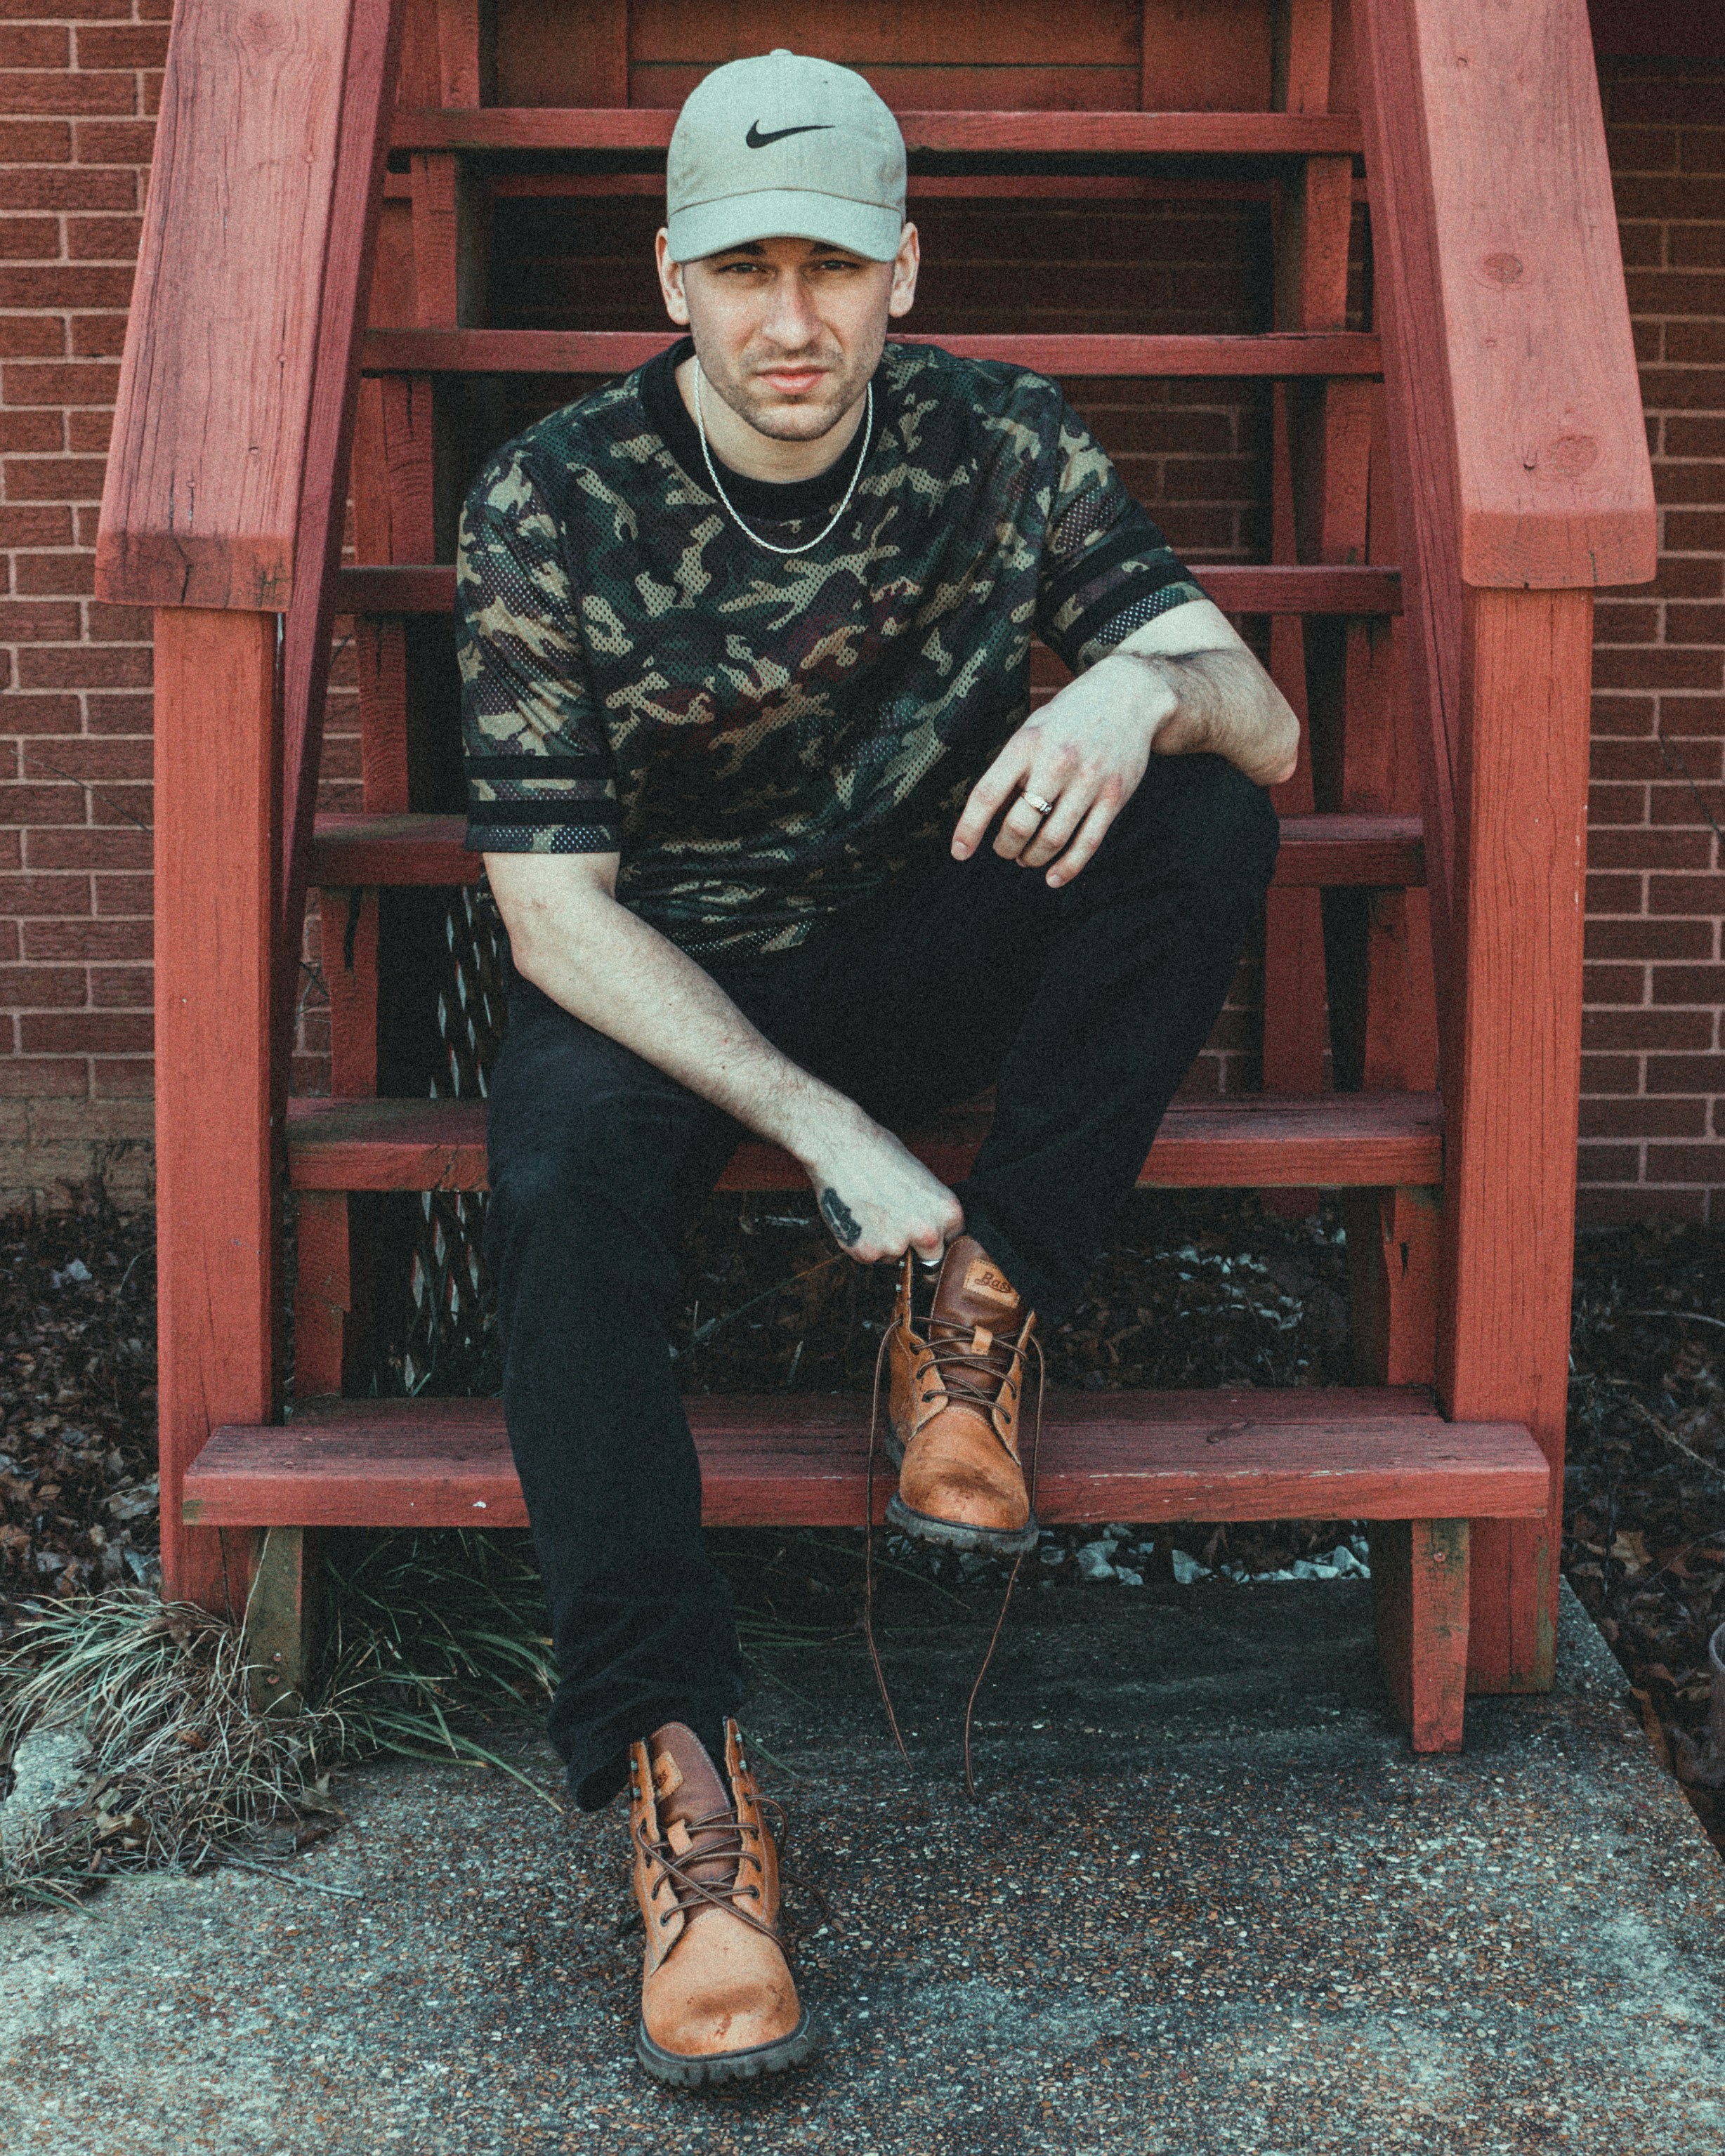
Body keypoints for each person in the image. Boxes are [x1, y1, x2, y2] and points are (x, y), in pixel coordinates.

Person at [457, 48, 1298, 2089]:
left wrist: (1128, 685)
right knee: (564, 1197)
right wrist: (822, 1127)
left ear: (902, 268)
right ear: (671, 277)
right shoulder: (552, 503)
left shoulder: (998, 438)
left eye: (831, 265)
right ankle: (683, 1785)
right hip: (654, 980)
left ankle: (982, 1313)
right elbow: (554, 918)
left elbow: (1266, 727)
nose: (790, 319)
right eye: (742, 267)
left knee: (1199, 820)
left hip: (918, 932)